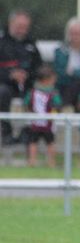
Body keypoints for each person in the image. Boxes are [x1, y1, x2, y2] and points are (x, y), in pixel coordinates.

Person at [0, 9, 42, 146]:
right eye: (19, 26)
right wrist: (10, 75)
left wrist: (27, 75)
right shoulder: (2, 42)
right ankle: (6, 133)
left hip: (26, 85)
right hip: (5, 85)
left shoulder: (31, 44)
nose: (22, 30)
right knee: (2, 93)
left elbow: (39, 68)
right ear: (10, 23)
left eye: (25, 27)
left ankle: (28, 134)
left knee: (39, 97)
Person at [23, 66, 61, 167]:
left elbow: (26, 104)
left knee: (33, 142)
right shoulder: (53, 93)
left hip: (35, 122)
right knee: (50, 142)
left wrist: (30, 113)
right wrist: (54, 114)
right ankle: (51, 162)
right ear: (46, 79)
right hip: (48, 122)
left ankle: (32, 161)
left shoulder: (32, 92)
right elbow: (57, 105)